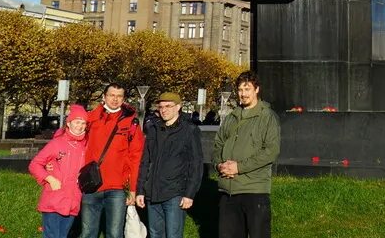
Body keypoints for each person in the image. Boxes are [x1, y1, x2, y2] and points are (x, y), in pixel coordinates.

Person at [214, 71, 280, 238]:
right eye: (240, 89)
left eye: (247, 89)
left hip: (254, 190)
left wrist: (239, 167)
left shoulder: (267, 117)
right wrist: (219, 165)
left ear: (256, 89)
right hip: (228, 190)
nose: (243, 94)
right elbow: (218, 145)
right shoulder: (231, 117)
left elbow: (270, 151)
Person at [81, 83, 145, 238]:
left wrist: (132, 189)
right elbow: (70, 136)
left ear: (123, 99)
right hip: (92, 184)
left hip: (117, 187)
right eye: (111, 95)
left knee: (115, 233)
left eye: (119, 96)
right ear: (104, 97)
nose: (115, 99)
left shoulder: (131, 122)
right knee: (88, 232)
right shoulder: (91, 118)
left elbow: (136, 156)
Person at [136, 92, 204, 238]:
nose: (163, 110)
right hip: (153, 192)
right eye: (160, 106)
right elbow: (145, 161)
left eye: (168, 106)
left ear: (178, 107)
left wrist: (189, 194)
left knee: (173, 234)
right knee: (155, 234)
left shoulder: (189, 130)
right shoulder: (153, 129)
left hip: (175, 193)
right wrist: (140, 190)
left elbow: (196, 165)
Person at [29, 105, 90, 238]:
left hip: (73, 201)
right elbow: (35, 164)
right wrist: (49, 178)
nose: (80, 126)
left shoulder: (86, 146)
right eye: (77, 122)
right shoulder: (57, 143)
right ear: (69, 123)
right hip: (54, 199)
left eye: (83, 123)